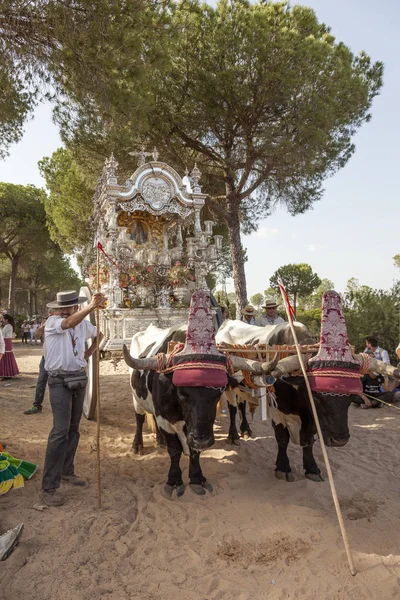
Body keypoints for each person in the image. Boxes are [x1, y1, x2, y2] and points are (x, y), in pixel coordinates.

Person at [40, 289, 105, 507]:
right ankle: (49, 486)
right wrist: (91, 307)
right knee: (60, 431)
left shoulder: (82, 323)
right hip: (59, 381)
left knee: (73, 429)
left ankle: (67, 471)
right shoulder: (53, 323)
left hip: (78, 379)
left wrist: (88, 354)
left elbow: (100, 335)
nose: (60, 312)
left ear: (72, 308)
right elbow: (67, 325)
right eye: (60, 309)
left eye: (64, 308)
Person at [24, 311, 59, 415]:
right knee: (41, 381)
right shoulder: (48, 323)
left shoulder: (64, 323)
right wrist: (45, 324)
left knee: (58, 383)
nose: (50, 313)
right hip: (46, 357)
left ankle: (60, 407)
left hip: (58, 358)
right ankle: (37, 405)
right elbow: (37, 334)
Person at [0, 314, 19, 378]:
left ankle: (6, 373)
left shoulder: (8, 326)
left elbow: (2, 334)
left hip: (6, 341)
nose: (2, 320)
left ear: (6, 320)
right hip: (6, 341)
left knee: (5, 355)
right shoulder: (7, 326)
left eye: (3, 319)